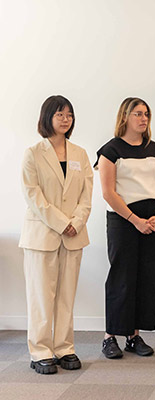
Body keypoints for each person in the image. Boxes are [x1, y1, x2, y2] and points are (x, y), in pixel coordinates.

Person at [19, 95, 93, 374]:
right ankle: (40, 351)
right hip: (42, 235)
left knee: (66, 295)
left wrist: (77, 221)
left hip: (74, 235)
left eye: (69, 115)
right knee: (40, 295)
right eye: (60, 114)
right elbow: (33, 197)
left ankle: (64, 348)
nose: (65, 119)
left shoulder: (80, 154)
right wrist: (63, 223)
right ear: (47, 117)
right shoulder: (33, 153)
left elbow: (87, 196)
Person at [95, 97, 155, 359]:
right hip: (124, 221)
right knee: (122, 277)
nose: (143, 118)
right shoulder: (110, 150)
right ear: (125, 117)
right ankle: (110, 336)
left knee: (146, 278)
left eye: (147, 114)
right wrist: (135, 220)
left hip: (152, 222)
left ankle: (134, 336)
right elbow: (108, 193)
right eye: (138, 113)